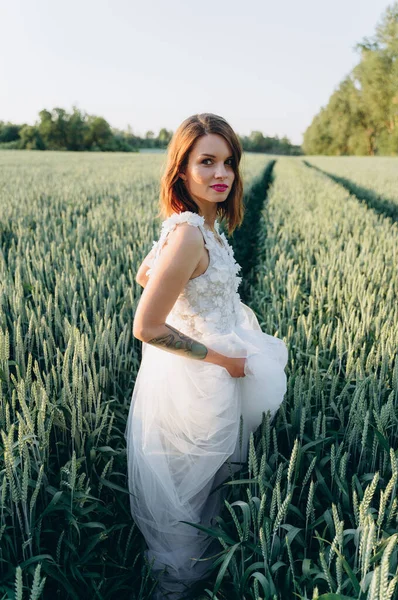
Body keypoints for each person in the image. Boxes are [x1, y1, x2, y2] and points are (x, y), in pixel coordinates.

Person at [124, 113, 288, 599]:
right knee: (191, 497)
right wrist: (223, 360)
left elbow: (144, 275)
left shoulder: (192, 228)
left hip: (210, 363)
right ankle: (181, 588)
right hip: (200, 378)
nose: (222, 173)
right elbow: (146, 326)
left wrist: (191, 303)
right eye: (207, 161)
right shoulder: (190, 234)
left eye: (229, 162)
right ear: (182, 169)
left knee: (206, 489)